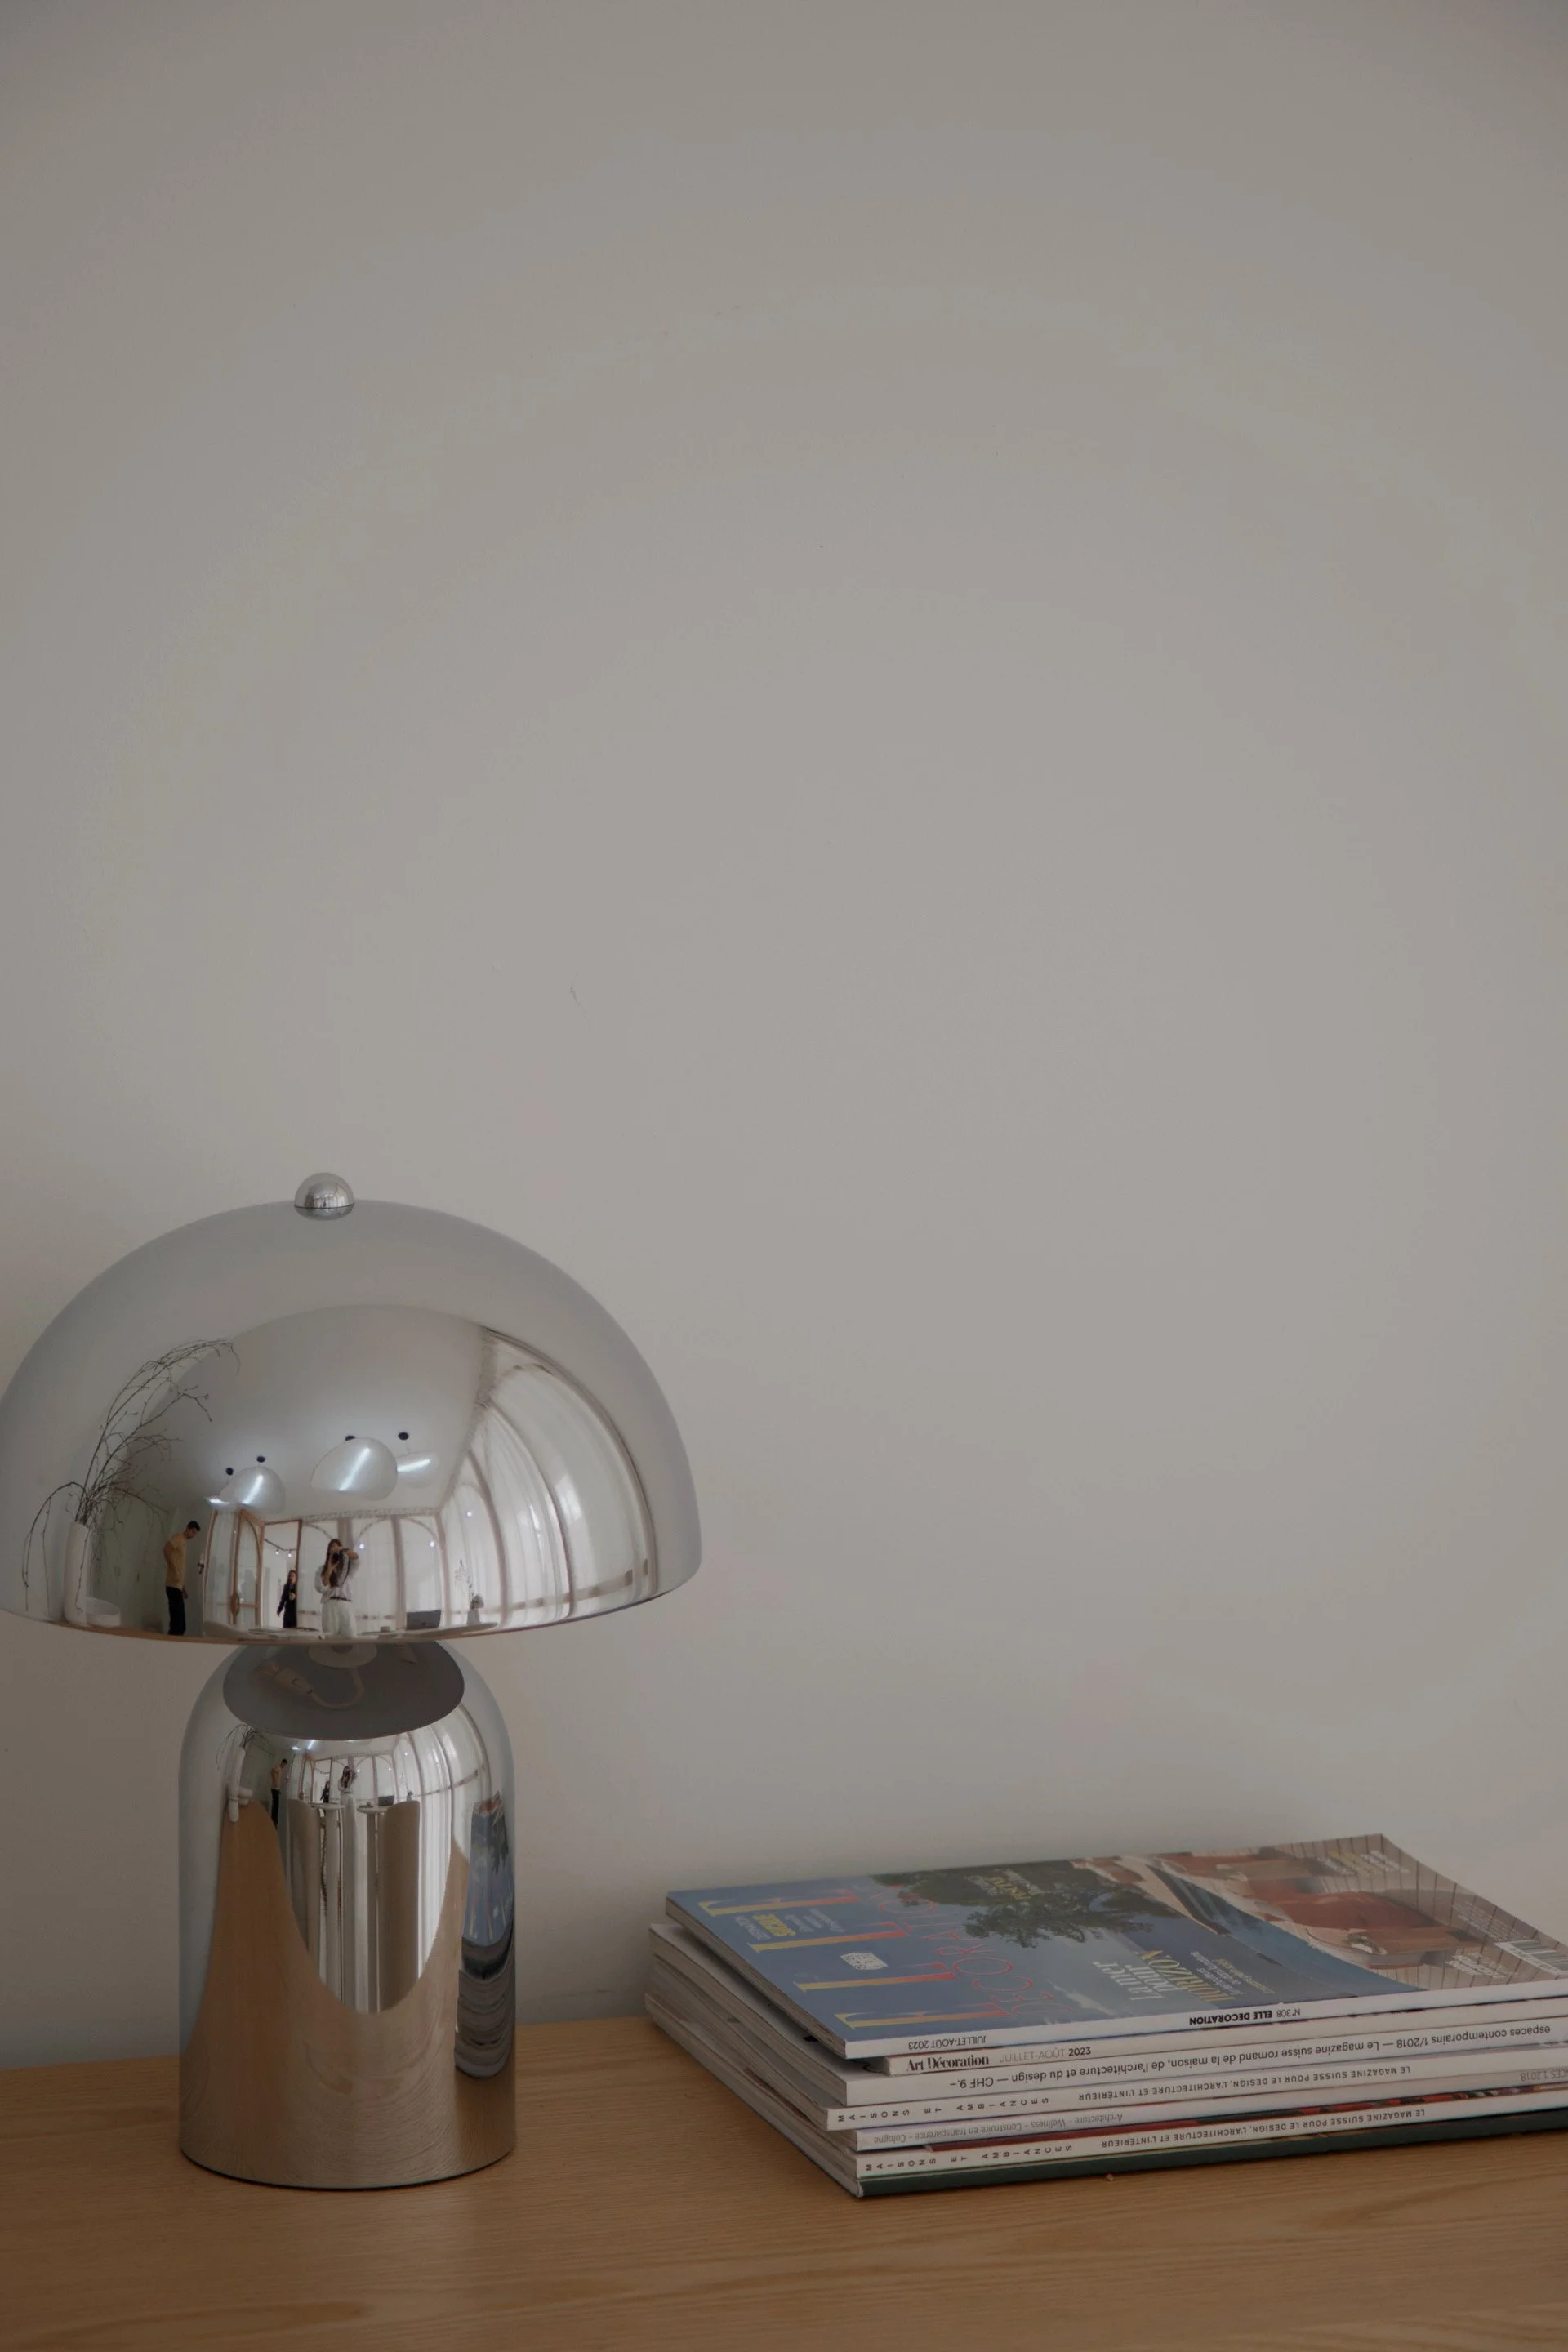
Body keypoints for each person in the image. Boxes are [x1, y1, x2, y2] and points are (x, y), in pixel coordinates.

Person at [163, 1519, 201, 1637]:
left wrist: (183, 1589)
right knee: (178, 1625)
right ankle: (169, 1647)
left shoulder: (184, 1543)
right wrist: (173, 1570)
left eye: (195, 1533)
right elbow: (166, 1549)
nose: (194, 1535)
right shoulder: (179, 1537)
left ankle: (171, 1646)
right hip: (172, 1586)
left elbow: (180, 1569)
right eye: (193, 1532)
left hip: (177, 1587)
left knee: (180, 1625)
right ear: (188, 1528)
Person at [276, 1564, 300, 1630]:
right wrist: (279, 1609)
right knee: (285, 1629)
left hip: (294, 1612)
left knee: (293, 1630)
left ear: (296, 1577)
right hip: (287, 1612)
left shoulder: (297, 1587)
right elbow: (283, 1599)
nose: (291, 1577)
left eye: (293, 1576)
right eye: (290, 1576)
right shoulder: (286, 1587)